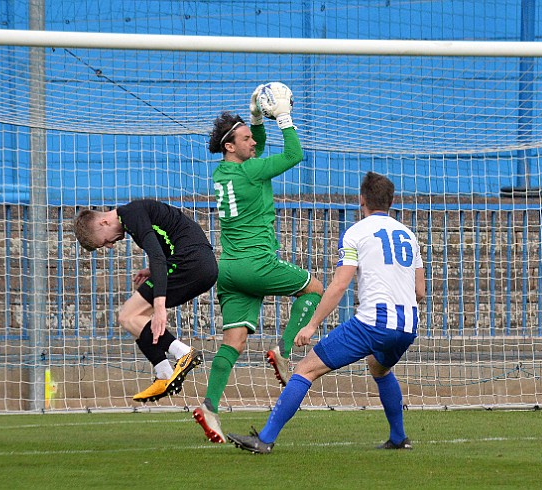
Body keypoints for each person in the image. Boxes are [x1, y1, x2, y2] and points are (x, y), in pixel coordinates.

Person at [227, 171, 425, 453]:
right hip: (408, 325)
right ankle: (398, 438)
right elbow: (420, 292)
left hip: (373, 322)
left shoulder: (356, 232)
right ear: (391, 201)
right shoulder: (409, 235)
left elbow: (339, 284)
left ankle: (265, 439)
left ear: (362, 201)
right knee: (379, 367)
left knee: (305, 369)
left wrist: (311, 326)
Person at [193, 83, 324, 443]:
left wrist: (254, 116)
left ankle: (209, 405)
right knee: (315, 288)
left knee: (233, 342)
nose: (253, 142)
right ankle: (282, 351)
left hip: (229, 271)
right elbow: (294, 154)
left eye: (253, 137)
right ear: (230, 147)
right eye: (246, 138)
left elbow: (259, 148)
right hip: (256, 263)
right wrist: (283, 117)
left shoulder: (224, 173)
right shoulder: (253, 172)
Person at [73, 198, 218, 402]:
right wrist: (152, 272)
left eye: (104, 242)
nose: (110, 246)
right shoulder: (133, 217)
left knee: (127, 315)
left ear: (102, 222)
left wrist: (159, 307)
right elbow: (171, 241)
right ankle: (163, 374)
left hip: (193, 264)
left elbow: (157, 256)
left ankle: (183, 354)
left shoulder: (130, 214)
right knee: (133, 318)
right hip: (198, 265)